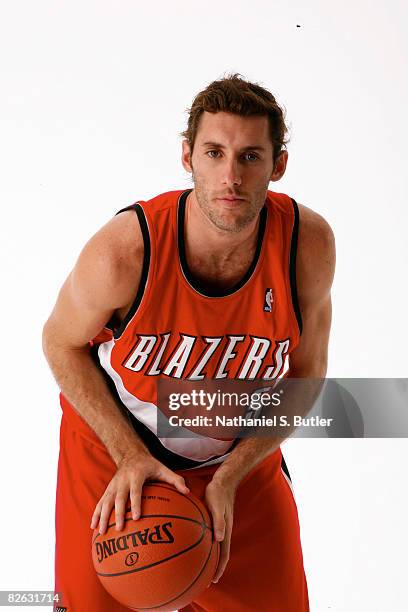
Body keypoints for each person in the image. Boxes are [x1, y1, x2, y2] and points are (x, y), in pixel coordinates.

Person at [42, 73, 335, 611]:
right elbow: (60, 344)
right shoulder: (124, 253)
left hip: (235, 457)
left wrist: (235, 473)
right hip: (114, 449)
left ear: (278, 165)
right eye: (214, 152)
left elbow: (305, 375)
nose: (231, 176)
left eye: (250, 156)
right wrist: (128, 455)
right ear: (187, 157)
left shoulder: (305, 246)